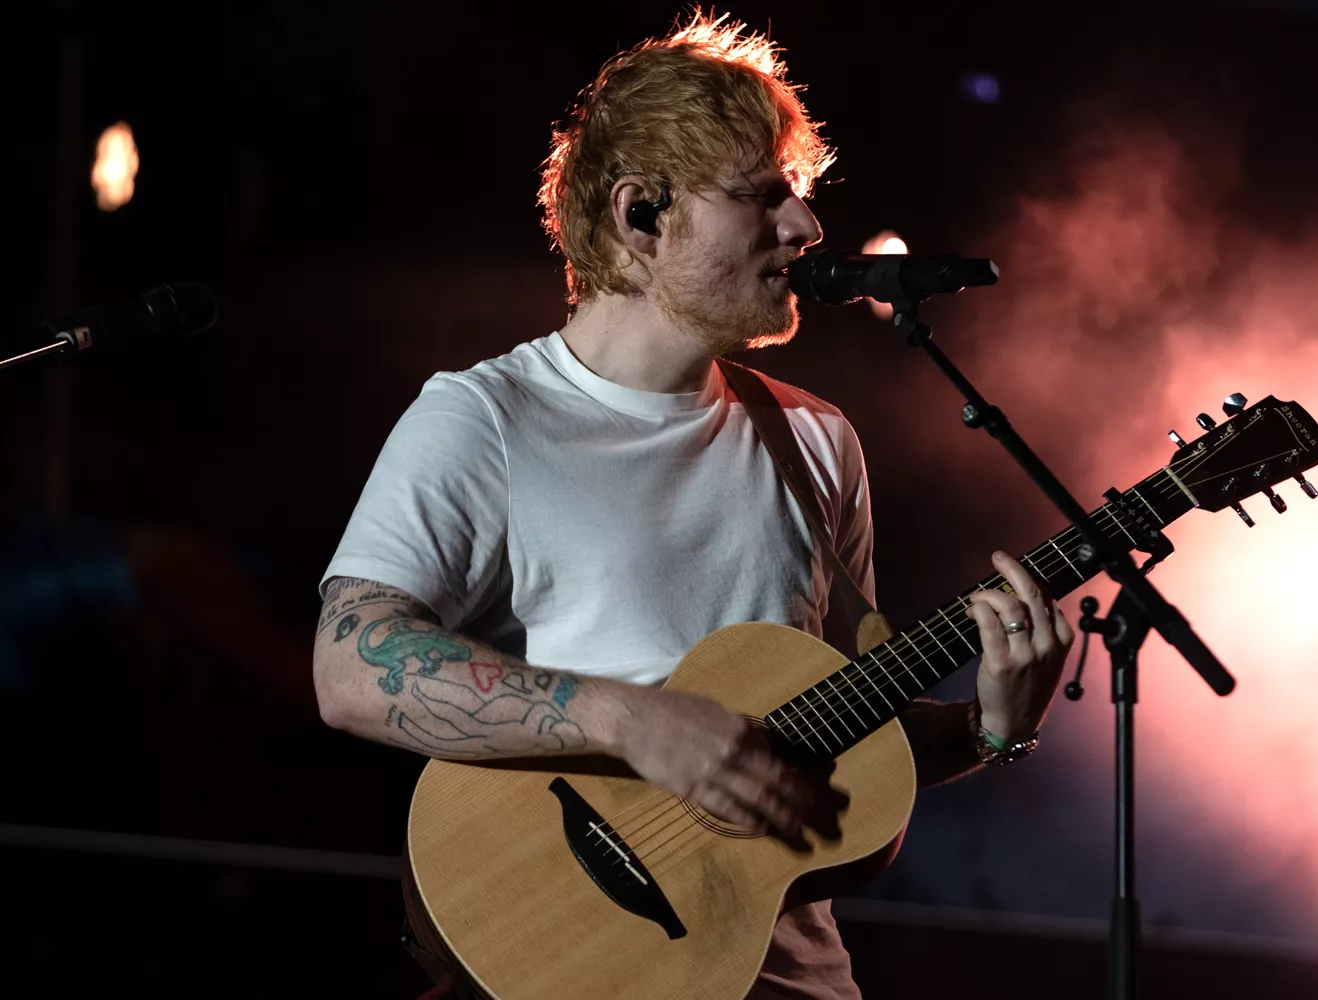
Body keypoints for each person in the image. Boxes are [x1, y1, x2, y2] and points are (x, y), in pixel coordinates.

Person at [312, 12, 1074, 999]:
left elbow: (828, 737)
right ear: (641, 217)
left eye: (799, 199)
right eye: (764, 198)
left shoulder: (817, 441)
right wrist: (636, 721)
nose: (805, 230)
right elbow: (349, 667)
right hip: (583, 966)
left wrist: (987, 729)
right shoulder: (485, 419)